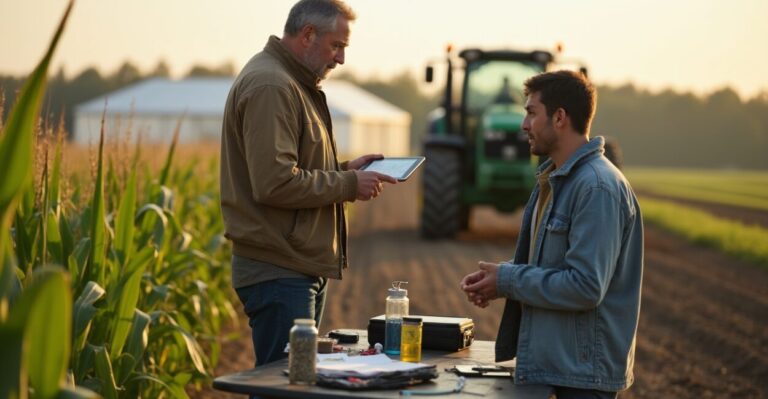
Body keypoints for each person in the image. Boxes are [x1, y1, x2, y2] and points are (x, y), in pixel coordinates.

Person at [220, 0, 397, 366]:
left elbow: (293, 167)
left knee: (295, 380)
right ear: (307, 35)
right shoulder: (272, 85)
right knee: (285, 382)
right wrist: (348, 184)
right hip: (279, 269)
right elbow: (274, 183)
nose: (341, 59)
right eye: (337, 46)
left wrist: (346, 168)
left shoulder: (292, 83)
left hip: (296, 265)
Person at [460, 70, 644, 399]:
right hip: (559, 366)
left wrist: (509, 280)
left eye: (531, 112)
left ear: (559, 118)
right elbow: (552, 263)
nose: (523, 124)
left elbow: (586, 286)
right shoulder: (556, 179)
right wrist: (498, 279)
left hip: (582, 377)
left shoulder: (597, 188)